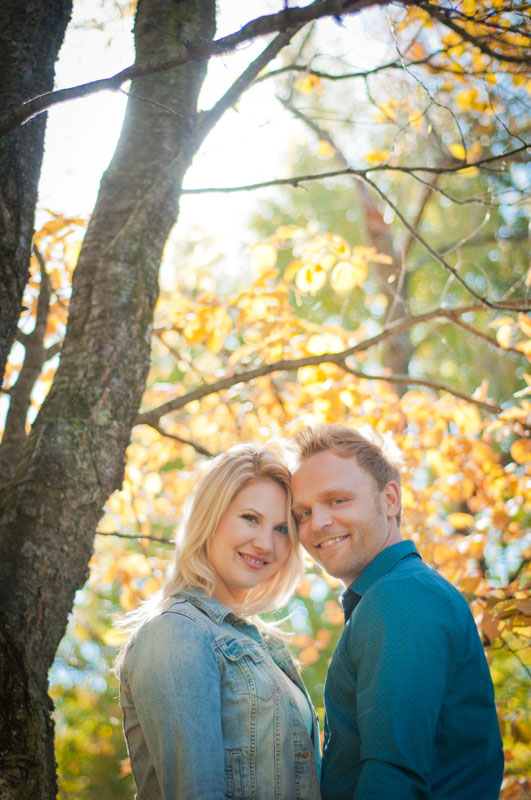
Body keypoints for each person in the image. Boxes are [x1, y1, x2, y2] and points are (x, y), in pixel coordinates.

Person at [289, 423, 504, 800]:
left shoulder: (401, 598)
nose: (317, 523)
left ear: (390, 500)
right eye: (303, 512)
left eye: (338, 500)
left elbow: (393, 778)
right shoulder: (395, 594)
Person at [116, 443, 321, 800]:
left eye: (282, 529)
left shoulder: (263, 646)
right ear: (210, 517)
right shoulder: (176, 632)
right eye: (250, 518)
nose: (265, 544)